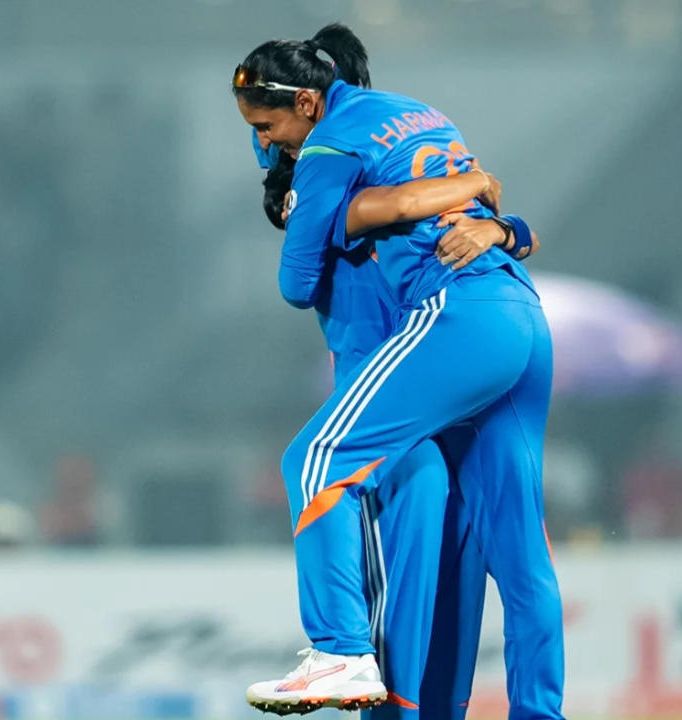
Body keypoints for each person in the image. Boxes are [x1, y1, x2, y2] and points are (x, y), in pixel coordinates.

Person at [232, 24, 563, 719]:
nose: (267, 144)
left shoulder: (332, 180)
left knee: (325, 470)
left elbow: (298, 280)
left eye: (269, 128)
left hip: (438, 356)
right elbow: (486, 214)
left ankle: (343, 654)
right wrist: (489, 203)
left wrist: (314, 221)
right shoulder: (411, 131)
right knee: (512, 560)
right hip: (513, 318)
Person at [255, 149, 528, 719]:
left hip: (395, 443)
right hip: (439, 436)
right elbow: (511, 231)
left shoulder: (370, 221)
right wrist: (493, 213)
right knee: (441, 618)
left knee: (403, 627)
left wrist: (492, 216)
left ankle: (340, 651)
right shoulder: (386, 221)